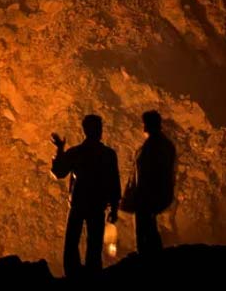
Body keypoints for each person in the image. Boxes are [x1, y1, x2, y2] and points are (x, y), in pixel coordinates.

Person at [51, 114, 121, 277]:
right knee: (94, 245)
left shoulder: (77, 153)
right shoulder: (108, 154)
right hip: (97, 205)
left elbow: (58, 172)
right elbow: (114, 182)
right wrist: (114, 207)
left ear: (85, 131)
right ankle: (93, 275)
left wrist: (59, 149)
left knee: (72, 243)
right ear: (99, 131)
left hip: (79, 204)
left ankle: (73, 275)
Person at [132, 110, 177, 255]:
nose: (143, 127)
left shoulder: (153, 146)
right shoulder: (164, 144)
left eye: (145, 124)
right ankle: (152, 256)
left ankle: (148, 258)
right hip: (154, 194)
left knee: (145, 229)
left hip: (149, 194)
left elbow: (151, 171)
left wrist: (141, 194)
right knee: (149, 227)